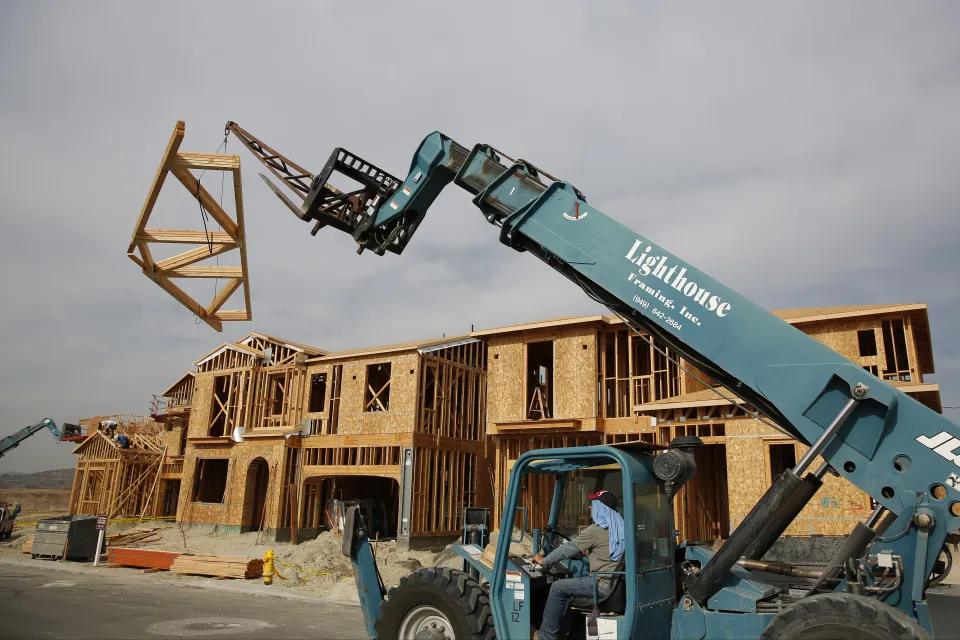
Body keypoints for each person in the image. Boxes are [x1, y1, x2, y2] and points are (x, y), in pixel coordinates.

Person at [532, 490, 625, 640]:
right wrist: (589, 553)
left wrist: (544, 560)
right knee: (568, 590)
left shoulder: (596, 530)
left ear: (600, 508)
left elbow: (567, 550)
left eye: (592, 504)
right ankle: (562, 633)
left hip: (601, 584)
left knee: (558, 587)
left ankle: (545, 636)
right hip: (615, 583)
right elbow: (607, 551)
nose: (589, 508)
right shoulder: (621, 527)